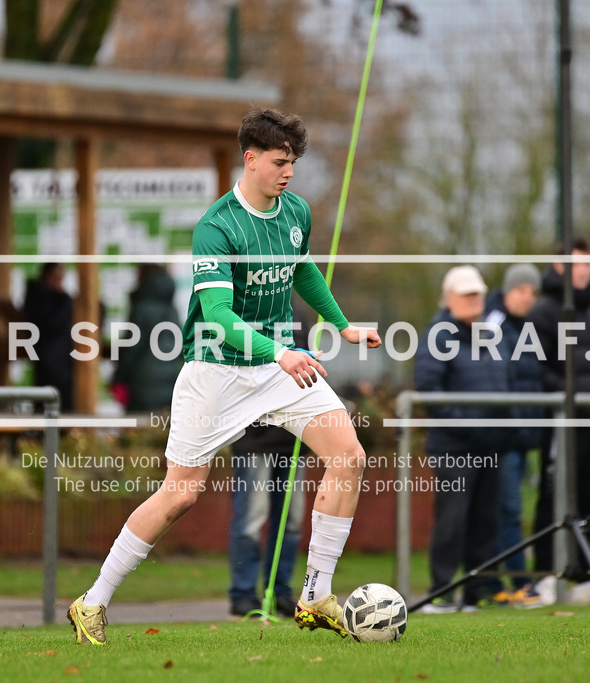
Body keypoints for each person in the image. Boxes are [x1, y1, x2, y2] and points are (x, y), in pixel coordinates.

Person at [67, 106, 382, 645]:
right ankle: (91, 602)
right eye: (280, 161)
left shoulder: (295, 211)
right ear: (250, 158)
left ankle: (315, 593)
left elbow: (301, 268)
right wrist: (278, 352)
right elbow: (218, 320)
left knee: (348, 456)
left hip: (278, 367)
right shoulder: (216, 228)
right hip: (216, 372)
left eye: (294, 163)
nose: (288, 172)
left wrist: (340, 324)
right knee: (180, 495)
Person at [413, 265, 511, 613]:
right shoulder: (438, 335)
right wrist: (466, 424)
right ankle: (440, 591)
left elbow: (501, 382)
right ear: (449, 297)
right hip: (454, 446)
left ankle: (476, 590)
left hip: (490, 445)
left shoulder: (490, 334)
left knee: (486, 521)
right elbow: (429, 389)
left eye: (478, 294)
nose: (475, 300)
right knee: (452, 521)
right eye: (467, 294)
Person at [527, 237, 590, 599]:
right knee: (555, 494)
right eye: (578, 265)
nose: (585, 272)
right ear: (560, 267)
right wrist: (567, 398)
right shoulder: (545, 311)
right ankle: (547, 572)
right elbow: (535, 366)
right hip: (562, 423)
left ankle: (583, 572)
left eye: (589, 265)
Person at [228, 307, 310, 618]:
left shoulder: (298, 315)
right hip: (254, 436)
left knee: (290, 520)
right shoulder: (242, 313)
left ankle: (281, 591)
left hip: (293, 436)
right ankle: (243, 593)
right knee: (252, 517)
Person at [483, 263, 544, 607]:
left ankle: (505, 583)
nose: (527, 298)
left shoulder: (525, 327)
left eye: (532, 293)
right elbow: (496, 378)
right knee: (507, 509)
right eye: (522, 290)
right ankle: (517, 582)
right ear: (508, 290)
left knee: (509, 508)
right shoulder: (495, 325)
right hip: (503, 434)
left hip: (521, 434)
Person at [110, 264, 183, 413]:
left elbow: (131, 348)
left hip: (143, 383)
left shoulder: (141, 308)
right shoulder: (172, 309)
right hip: (171, 381)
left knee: (138, 431)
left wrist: (118, 378)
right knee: (161, 431)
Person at [23, 262, 74, 411]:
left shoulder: (51, 298)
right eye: (55, 277)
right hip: (50, 360)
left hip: (57, 360)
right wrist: (65, 301)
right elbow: (53, 323)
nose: (59, 282)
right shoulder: (42, 299)